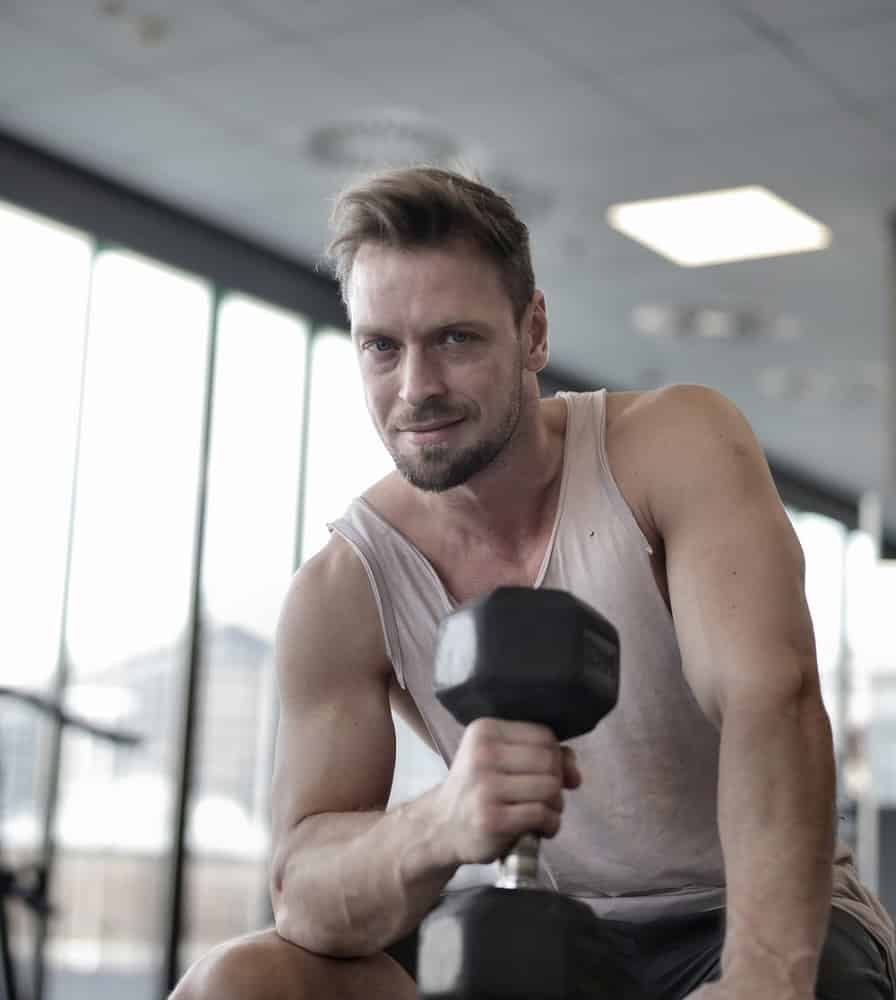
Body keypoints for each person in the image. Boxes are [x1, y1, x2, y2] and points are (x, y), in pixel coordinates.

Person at [170, 167, 896, 1000]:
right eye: (382, 346)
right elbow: (306, 896)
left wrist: (766, 978)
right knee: (240, 982)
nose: (417, 388)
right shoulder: (347, 586)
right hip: (540, 930)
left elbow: (773, 704)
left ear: (535, 332)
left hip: (746, 915)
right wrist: (441, 821)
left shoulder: (672, 447)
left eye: (455, 339)